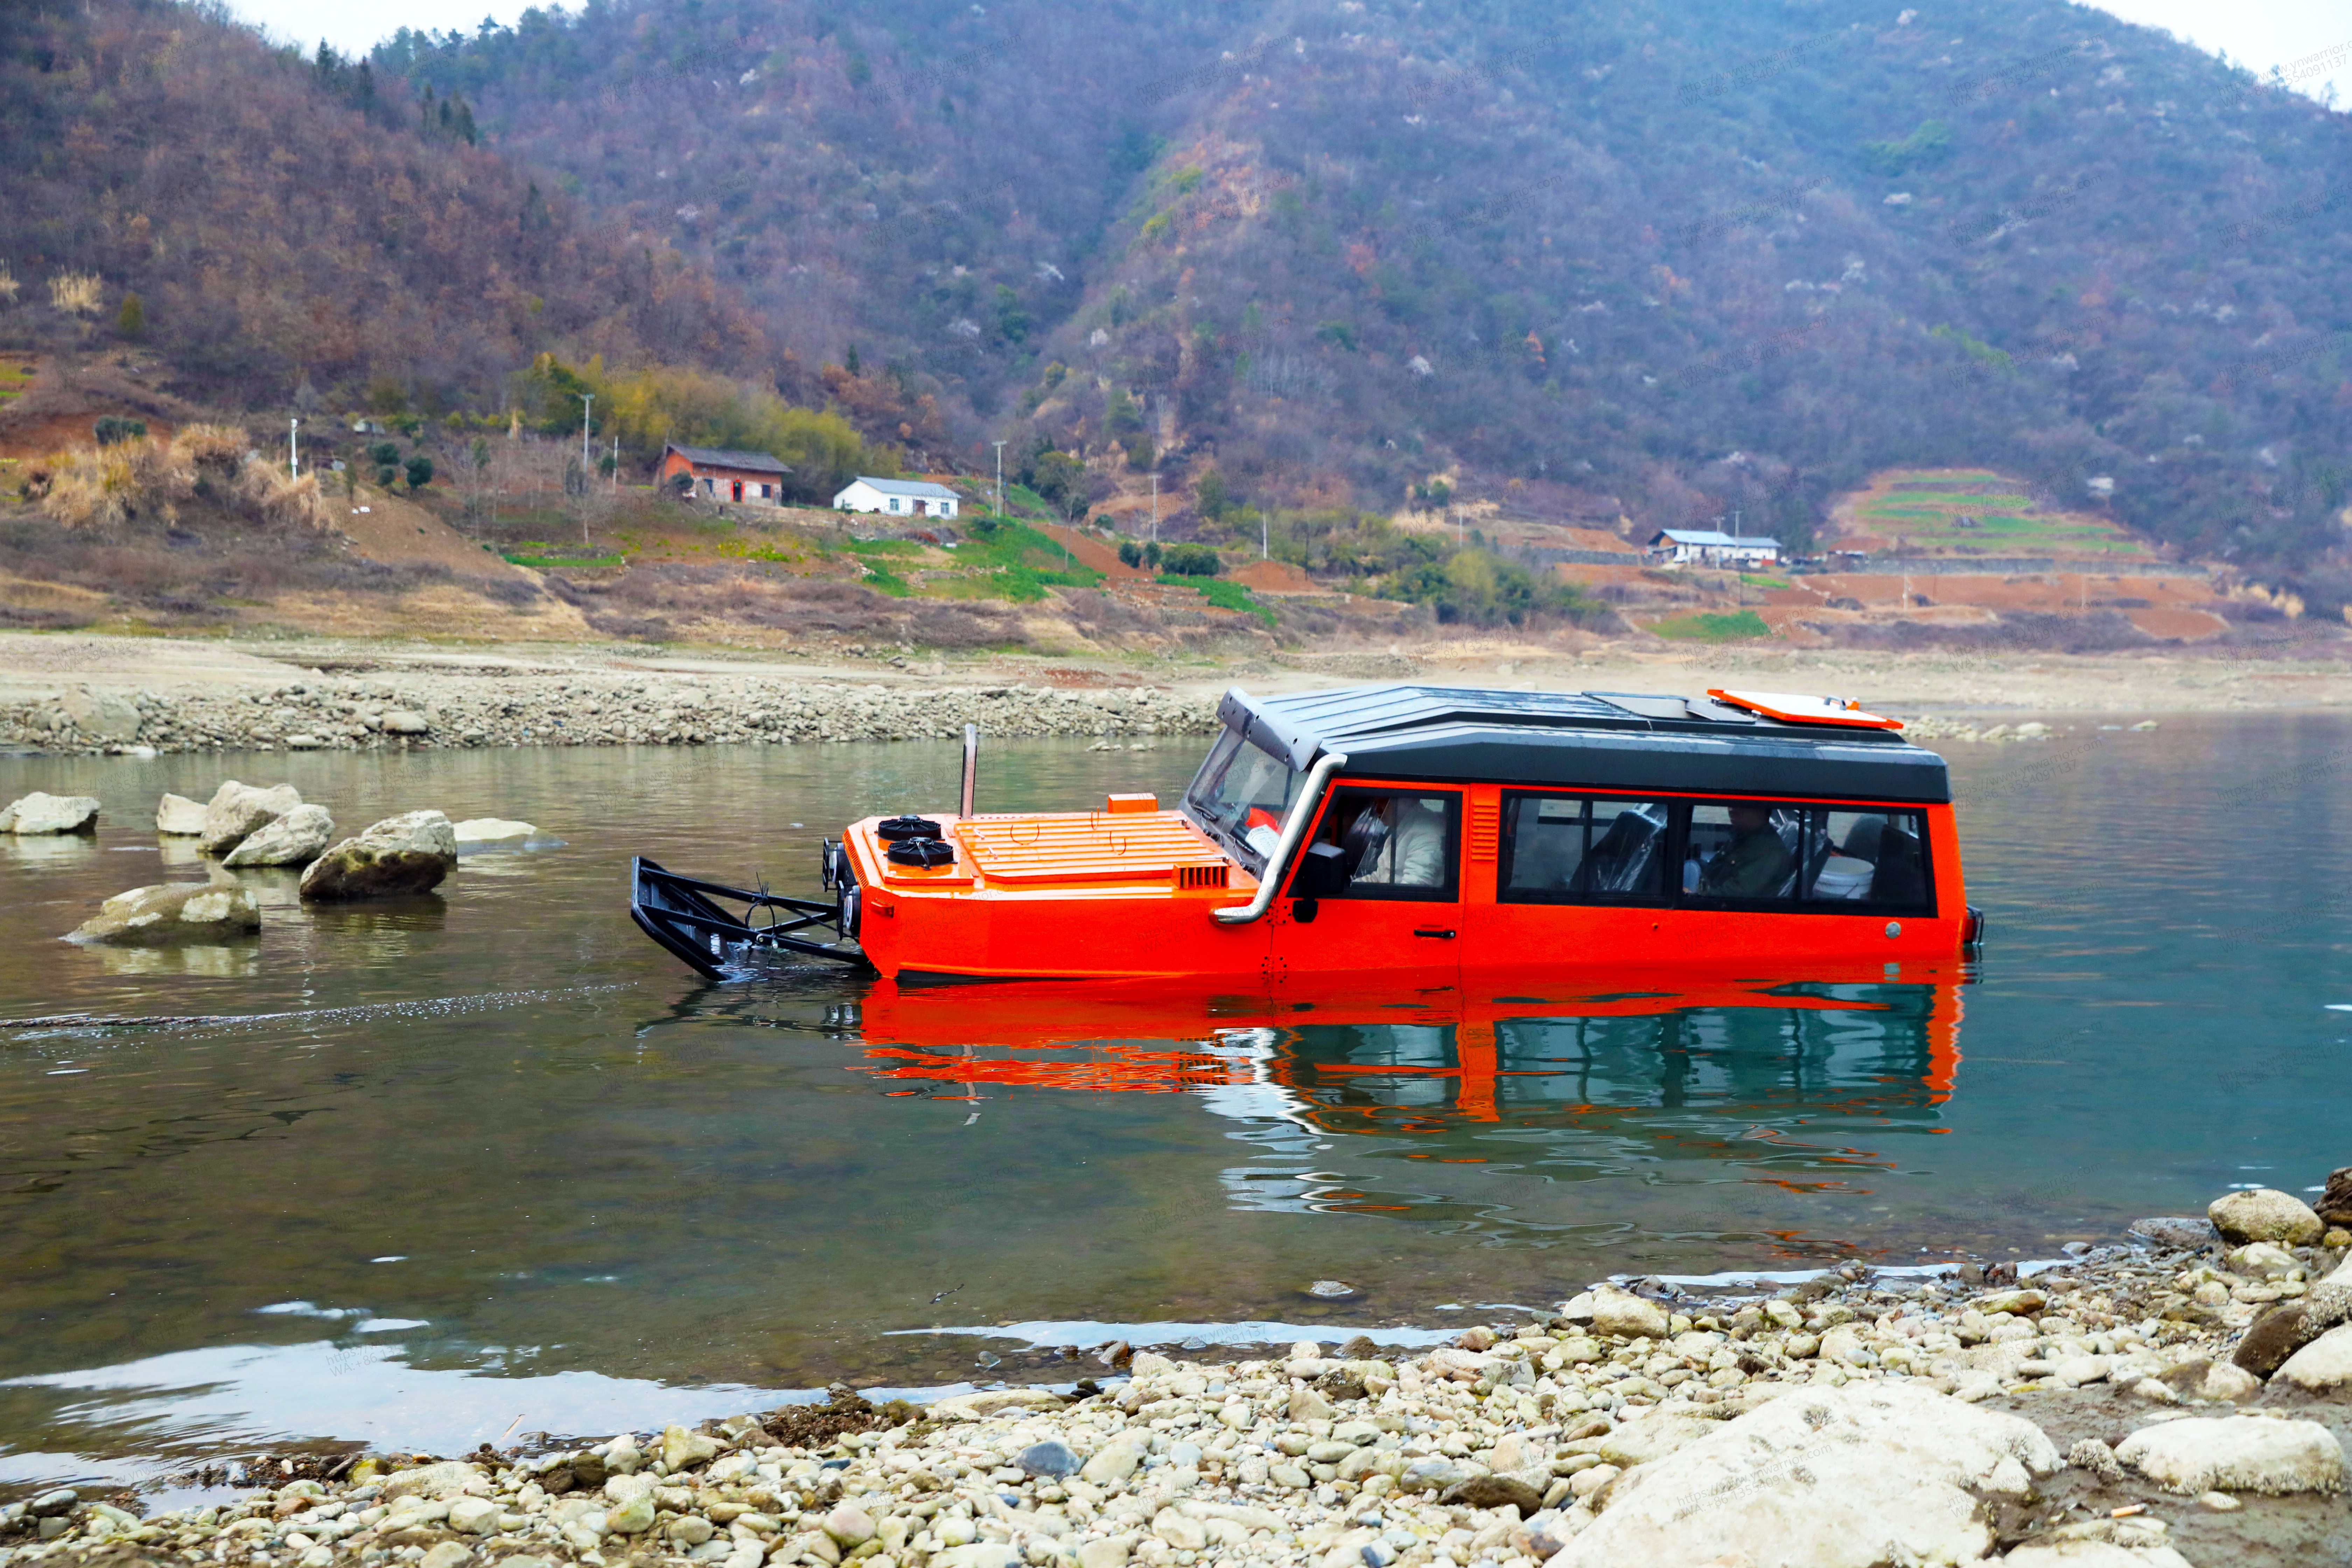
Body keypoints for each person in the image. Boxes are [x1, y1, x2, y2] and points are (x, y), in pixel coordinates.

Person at [1698, 802, 1792, 897]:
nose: (1732, 808)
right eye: (1730, 803)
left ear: (1760, 811)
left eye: (1741, 803)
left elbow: (1731, 896)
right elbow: (1714, 869)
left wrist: (1695, 895)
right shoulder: (1745, 837)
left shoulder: (1767, 851)